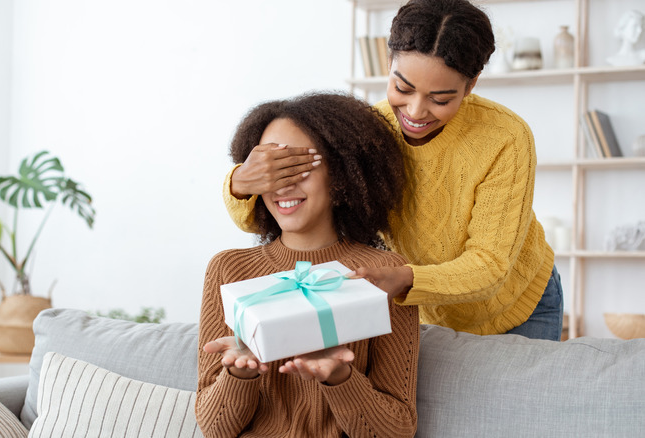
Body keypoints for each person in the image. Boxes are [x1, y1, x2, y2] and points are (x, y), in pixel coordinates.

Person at [222, 0, 564, 341]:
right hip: (422, 307)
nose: (416, 111)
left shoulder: (505, 137)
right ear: (389, 63)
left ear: (471, 84)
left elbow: (490, 266)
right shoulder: (368, 128)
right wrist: (240, 183)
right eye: (402, 88)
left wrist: (404, 278)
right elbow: (274, 219)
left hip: (518, 307)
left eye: (440, 99)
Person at [196, 92, 420, 438]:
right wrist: (240, 373)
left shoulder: (385, 275)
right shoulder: (228, 270)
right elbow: (214, 428)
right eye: (269, 169)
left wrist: (340, 378)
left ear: (342, 176)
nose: (283, 183)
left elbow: (397, 429)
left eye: (301, 167)